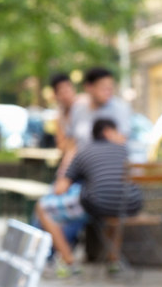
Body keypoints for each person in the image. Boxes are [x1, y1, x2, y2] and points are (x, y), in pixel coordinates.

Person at [35, 118, 141, 277]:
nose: (122, 135)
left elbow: (60, 189)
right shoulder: (124, 150)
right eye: (117, 131)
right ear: (107, 132)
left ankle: (69, 262)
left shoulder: (84, 151)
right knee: (114, 207)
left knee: (43, 208)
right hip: (131, 204)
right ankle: (113, 262)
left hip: (97, 204)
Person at [68, 66, 132, 152]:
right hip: (82, 162)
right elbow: (72, 143)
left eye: (110, 88)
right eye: (103, 88)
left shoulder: (120, 109)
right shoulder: (78, 109)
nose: (108, 92)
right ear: (89, 87)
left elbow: (122, 141)